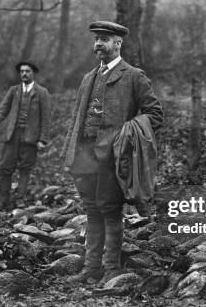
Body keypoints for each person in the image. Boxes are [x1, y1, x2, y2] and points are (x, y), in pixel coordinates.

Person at [63, 21, 163, 284]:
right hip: (85, 156)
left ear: (118, 44)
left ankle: (111, 269)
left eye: (104, 39)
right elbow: (77, 118)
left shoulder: (133, 76)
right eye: (96, 39)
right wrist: (70, 152)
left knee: (110, 211)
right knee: (91, 211)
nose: (98, 44)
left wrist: (126, 134)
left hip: (113, 157)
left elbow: (155, 114)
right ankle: (91, 268)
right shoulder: (88, 78)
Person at [0, 62, 51, 209]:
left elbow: (46, 118)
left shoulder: (42, 92)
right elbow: (2, 111)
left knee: (25, 168)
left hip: (31, 137)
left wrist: (43, 139)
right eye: (22, 71)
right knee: (6, 168)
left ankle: (20, 199)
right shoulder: (14, 91)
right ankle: (3, 200)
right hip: (13, 135)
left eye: (27, 71)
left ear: (33, 73)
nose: (24, 74)